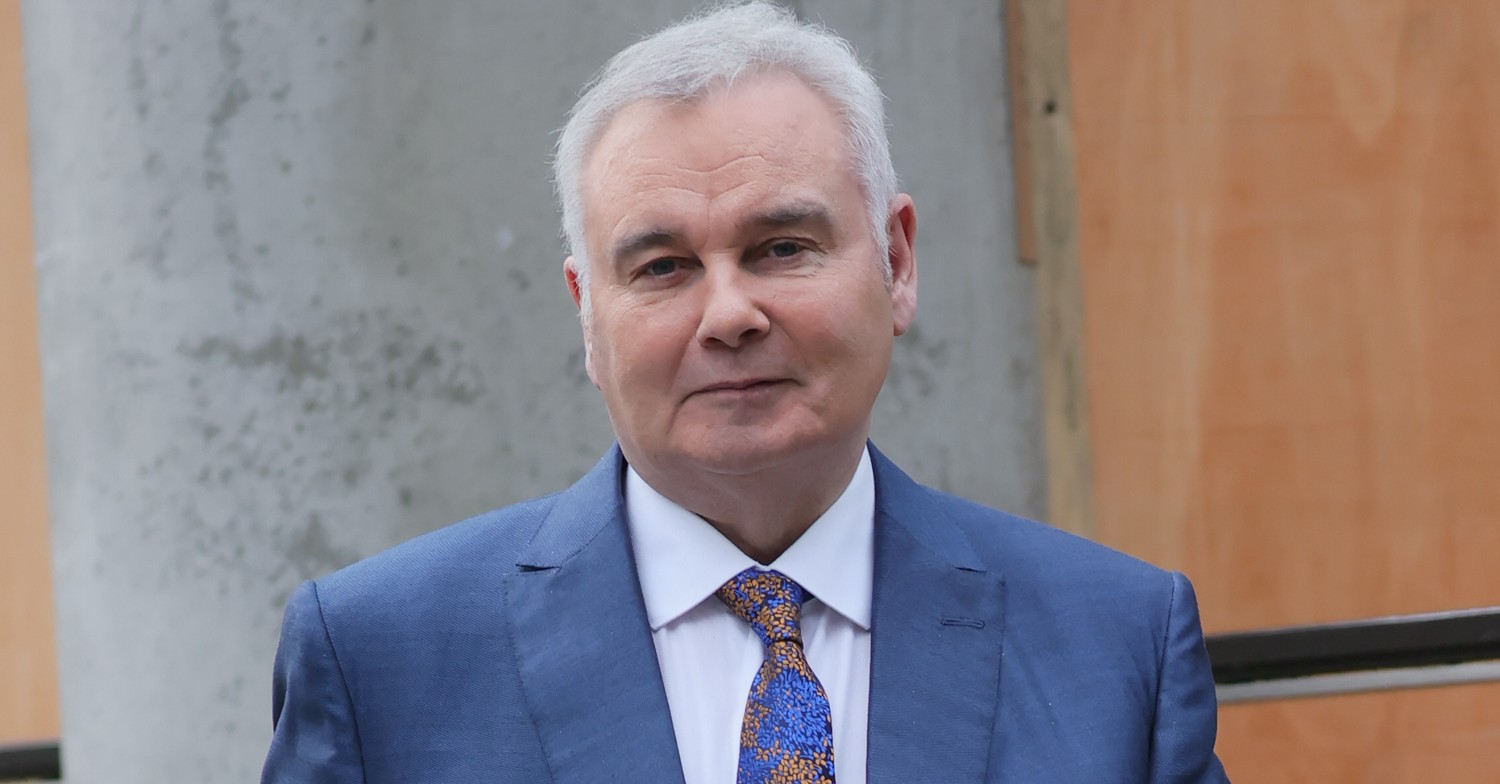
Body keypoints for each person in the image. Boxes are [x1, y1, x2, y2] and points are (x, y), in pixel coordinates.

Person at [261, 3, 1229, 782]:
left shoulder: (1118, 648)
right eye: (662, 267)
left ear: (896, 261)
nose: (729, 313)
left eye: (782, 248)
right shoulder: (381, 660)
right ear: (585, 313)